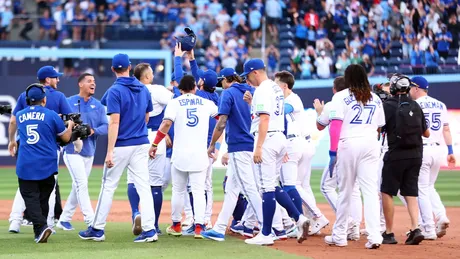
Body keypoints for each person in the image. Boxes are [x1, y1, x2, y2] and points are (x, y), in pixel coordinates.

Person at [79, 53, 157, 243]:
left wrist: (109, 151)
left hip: (122, 144)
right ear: (130, 67)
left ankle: (97, 229)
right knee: (144, 187)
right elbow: (147, 117)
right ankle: (150, 231)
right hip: (141, 143)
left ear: (113, 69)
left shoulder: (114, 91)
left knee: (108, 186)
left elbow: (114, 122)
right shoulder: (144, 89)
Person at [240, 58, 310, 246]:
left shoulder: (262, 90)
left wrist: (259, 147)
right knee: (273, 184)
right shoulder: (274, 88)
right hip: (279, 137)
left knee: (266, 188)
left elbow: (264, 119)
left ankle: (266, 233)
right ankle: (299, 217)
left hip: (268, 138)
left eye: (247, 76)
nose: (247, 80)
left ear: (255, 72)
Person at [149, 75, 218, 239]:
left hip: (180, 154)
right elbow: (221, 117)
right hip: (200, 153)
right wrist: (215, 142)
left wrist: (155, 144)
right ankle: (200, 227)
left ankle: (176, 225)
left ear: (180, 89)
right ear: (195, 87)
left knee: (178, 191)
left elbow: (166, 124)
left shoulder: (174, 102)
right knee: (199, 191)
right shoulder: (206, 103)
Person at [324, 64, 385, 249]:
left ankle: (340, 235)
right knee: (370, 191)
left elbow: (335, 125)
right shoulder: (374, 97)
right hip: (370, 143)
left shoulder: (340, 96)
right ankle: (375, 236)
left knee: (345, 191)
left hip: (348, 143)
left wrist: (332, 152)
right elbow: (380, 126)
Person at [200, 68, 264, 241]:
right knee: (232, 189)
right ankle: (219, 228)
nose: (221, 84)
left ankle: (268, 227)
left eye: (222, 81)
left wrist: (212, 144)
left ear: (227, 80)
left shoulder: (228, 94)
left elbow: (221, 123)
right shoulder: (252, 91)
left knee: (249, 188)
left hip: (239, 145)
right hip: (253, 143)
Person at [8, 65, 72, 234]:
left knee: (25, 186)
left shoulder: (25, 95)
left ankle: (15, 221)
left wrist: (12, 140)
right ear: (47, 79)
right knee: (48, 187)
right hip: (49, 148)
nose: (58, 79)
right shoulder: (58, 96)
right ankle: (47, 224)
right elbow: (68, 122)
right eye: (55, 77)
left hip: (26, 147)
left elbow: (14, 120)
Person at [274, 71, 329, 236]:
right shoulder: (290, 98)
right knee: (303, 185)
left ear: (284, 86)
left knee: (292, 185)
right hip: (303, 143)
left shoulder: (291, 99)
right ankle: (308, 223)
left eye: (276, 85)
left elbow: (281, 111)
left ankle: (316, 216)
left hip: (294, 144)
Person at [380, 74, 430, 245]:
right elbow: (426, 133)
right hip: (416, 154)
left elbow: (378, 129)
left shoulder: (387, 105)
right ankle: (415, 227)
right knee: (411, 192)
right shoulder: (415, 105)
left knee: (387, 191)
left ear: (393, 88)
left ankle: (389, 232)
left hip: (396, 154)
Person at [313, 76, 362, 240]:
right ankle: (354, 227)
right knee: (354, 190)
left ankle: (347, 221)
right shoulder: (359, 101)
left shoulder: (334, 103)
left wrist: (320, 111)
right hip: (361, 148)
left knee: (326, 186)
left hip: (342, 148)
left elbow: (320, 125)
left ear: (335, 89)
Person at [126, 63, 173, 235]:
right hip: (155, 137)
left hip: (133, 137)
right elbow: (174, 104)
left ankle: (135, 213)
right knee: (155, 183)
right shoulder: (156, 89)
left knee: (132, 179)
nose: (153, 75)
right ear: (146, 77)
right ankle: (153, 224)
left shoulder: (128, 89)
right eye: (151, 73)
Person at [57, 73, 108, 231]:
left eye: (94, 81)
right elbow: (59, 120)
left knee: (78, 185)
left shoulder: (98, 105)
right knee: (81, 184)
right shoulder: (68, 101)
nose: (93, 83)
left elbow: (106, 126)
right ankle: (91, 221)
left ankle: (64, 219)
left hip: (89, 150)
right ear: (80, 84)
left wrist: (93, 131)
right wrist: (71, 126)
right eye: (89, 81)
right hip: (72, 149)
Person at [409, 76, 455, 239]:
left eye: (410, 87)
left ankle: (428, 227)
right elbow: (447, 130)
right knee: (429, 187)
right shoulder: (440, 104)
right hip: (438, 149)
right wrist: (450, 151)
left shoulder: (415, 105)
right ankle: (441, 215)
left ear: (416, 88)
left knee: (421, 188)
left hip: (422, 149)